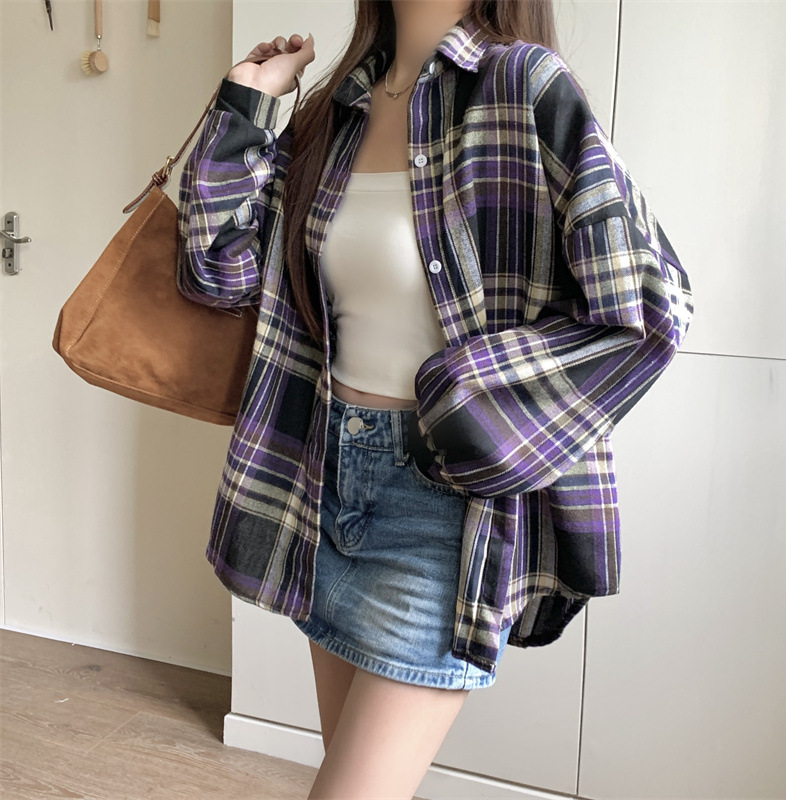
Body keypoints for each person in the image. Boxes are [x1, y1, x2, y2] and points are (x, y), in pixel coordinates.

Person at [177, 1, 694, 797]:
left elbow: (650, 307)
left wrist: (470, 399)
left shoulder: (523, 88)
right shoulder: (337, 109)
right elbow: (217, 274)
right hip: (319, 483)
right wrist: (249, 105)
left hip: (442, 506)